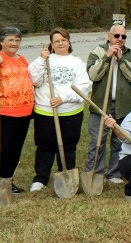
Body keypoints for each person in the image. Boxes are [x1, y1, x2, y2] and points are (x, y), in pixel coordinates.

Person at [28, 28, 91, 192]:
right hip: (45, 111)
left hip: (71, 112)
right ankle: (40, 178)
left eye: (63, 40)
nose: (60, 43)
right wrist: (42, 60)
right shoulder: (45, 60)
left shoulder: (77, 63)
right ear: (51, 44)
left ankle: (66, 173)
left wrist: (63, 98)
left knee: (68, 145)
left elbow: (83, 87)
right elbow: (34, 79)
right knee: (44, 146)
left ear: (69, 42)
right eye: (56, 41)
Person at [0, 26, 34, 194]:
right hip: (5, 113)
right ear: (1, 41)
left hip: (25, 112)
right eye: (10, 40)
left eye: (17, 40)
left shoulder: (22, 59)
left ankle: (8, 181)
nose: (14, 43)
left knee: (16, 150)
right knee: (3, 149)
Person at [85, 24, 131, 184]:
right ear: (109, 36)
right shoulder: (97, 51)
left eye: (123, 37)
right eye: (117, 36)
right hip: (100, 106)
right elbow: (93, 75)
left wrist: (121, 59)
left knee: (119, 142)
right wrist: (108, 56)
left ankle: (113, 174)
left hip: (123, 106)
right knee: (97, 142)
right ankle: (94, 172)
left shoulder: (130, 54)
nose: (120, 39)